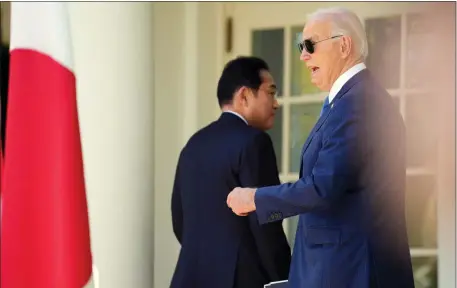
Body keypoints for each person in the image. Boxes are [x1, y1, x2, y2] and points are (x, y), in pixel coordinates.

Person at [227, 7, 415, 288]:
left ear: (344, 45)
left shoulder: (358, 103)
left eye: (310, 45)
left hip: (352, 273)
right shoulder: (349, 100)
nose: (303, 55)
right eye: (300, 46)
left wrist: (255, 199)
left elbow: (322, 188)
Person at [171, 56, 291, 288]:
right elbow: (266, 223)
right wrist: (286, 279)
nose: (276, 103)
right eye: (270, 92)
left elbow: (179, 219)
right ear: (245, 95)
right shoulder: (255, 142)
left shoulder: (194, 144)